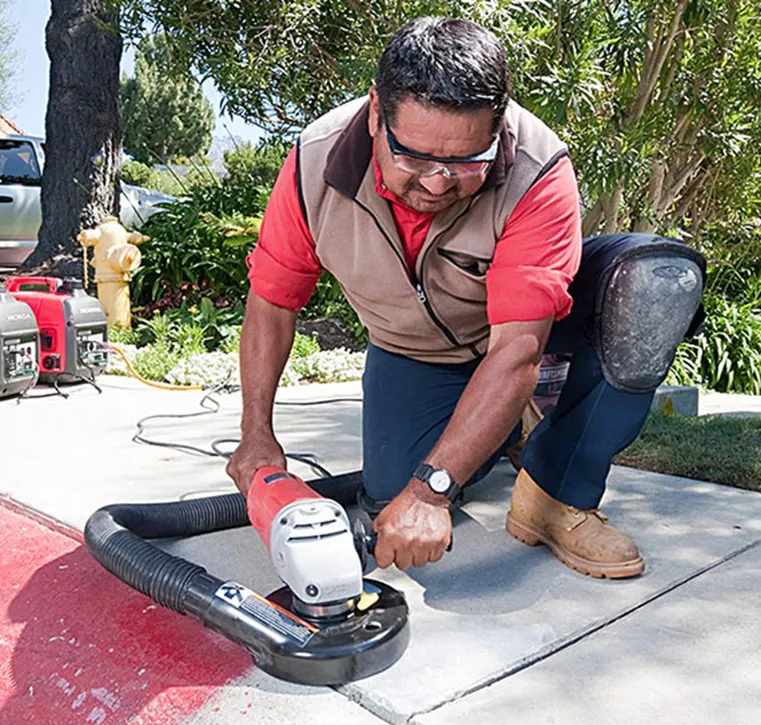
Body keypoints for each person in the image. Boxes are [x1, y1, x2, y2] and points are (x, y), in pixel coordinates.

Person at [226, 16, 705, 579]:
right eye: (414, 157)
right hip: (419, 352)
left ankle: (555, 489)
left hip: (530, 330)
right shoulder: (316, 161)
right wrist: (256, 433)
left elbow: (516, 352)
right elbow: (273, 302)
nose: (436, 183)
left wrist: (433, 490)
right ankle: (505, 423)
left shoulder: (535, 167)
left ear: (498, 126)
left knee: (655, 284)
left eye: (464, 164)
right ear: (377, 114)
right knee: (389, 499)